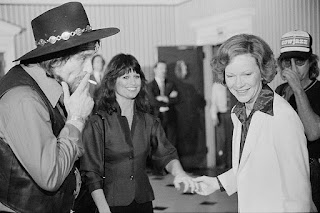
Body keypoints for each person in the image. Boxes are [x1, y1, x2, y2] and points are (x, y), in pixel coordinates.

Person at [0, 2, 119, 213]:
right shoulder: (24, 99)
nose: (89, 69)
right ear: (55, 60)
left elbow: (73, 150)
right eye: (83, 59)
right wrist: (77, 119)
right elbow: (50, 176)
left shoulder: (54, 87)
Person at [193, 34, 315, 212]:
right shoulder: (240, 112)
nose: (238, 84)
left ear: (263, 72)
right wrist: (216, 183)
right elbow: (248, 168)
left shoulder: (282, 117)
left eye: (247, 74)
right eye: (231, 75)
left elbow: (298, 194)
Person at [79, 53, 197, 213]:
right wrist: (103, 208)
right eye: (125, 77)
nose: (133, 82)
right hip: (109, 203)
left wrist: (180, 173)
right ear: (113, 82)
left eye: (136, 76)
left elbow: (165, 153)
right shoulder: (98, 122)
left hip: (143, 201)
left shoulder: (149, 121)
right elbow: (91, 172)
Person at [275, 30, 320, 211]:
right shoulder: (279, 90)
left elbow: (313, 133)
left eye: (300, 62)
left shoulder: (318, 90)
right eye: (287, 62)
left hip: (311, 168)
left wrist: (298, 90)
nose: (293, 68)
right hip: (284, 166)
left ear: (311, 63)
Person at [173, 60, 206, 169]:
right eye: (184, 68)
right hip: (180, 121)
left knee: (192, 144)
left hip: (192, 120)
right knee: (182, 145)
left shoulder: (190, 87)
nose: (186, 70)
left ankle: (190, 167)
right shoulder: (174, 86)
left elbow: (200, 101)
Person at [146, 61, 179, 147]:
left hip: (170, 118)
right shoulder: (149, 86)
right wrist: (168, 99)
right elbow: (152, 101)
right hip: (156, 118)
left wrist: (164, 98)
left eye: (165, 68)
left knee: (171, 142)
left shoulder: (171, 84)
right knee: (157, 142)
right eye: (161, 68)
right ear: (155, 70)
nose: (163, 71)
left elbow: (176, 99)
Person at [210, 81, 237, 170]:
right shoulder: (216, 86)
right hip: (222, 115)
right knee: (222, 140)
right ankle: (223, 164)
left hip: (233, 113)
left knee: (233, 139)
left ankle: (232, 164)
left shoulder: (234, 82)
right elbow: (213, 102)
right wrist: (214, 116)